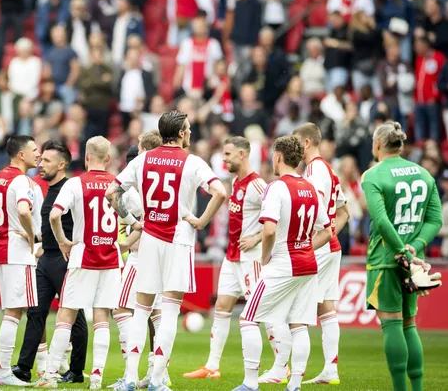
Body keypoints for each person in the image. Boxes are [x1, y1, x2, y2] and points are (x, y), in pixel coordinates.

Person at [108, 110, 227, 391]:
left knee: (140, 309)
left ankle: (129, 378)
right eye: (188, 130)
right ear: (182, 133)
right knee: (170, 311)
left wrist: (134, 222)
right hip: (178, 240)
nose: (190, 134)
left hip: (149, 237)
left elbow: (111, 192)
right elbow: (220, 192)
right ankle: (158, 380)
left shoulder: (143, 160)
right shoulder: (193, 162)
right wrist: (200, 222)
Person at [233, 135, 333, 391]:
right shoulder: (310, 187)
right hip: (308, 265)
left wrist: (265, 255)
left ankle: (250, 383)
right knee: (299, 324)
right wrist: (305, 247)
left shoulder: (276, 187)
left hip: (282, 264)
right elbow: (327, 231)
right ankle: (295, 384)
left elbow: (268, 231)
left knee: (248, 319)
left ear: (278, 156)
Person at [183, 137, 277, 382]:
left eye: (227, 154)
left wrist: (257, 238)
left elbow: (277, 218)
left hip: (251, 259)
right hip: (232, 256)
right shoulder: (235, 182)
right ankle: (212, 366)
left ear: (242, 155)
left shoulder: (258, 186)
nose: (223, 159)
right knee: (222, 307)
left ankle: (281, 366)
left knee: (262, 311)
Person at [362, 121, 443, 391]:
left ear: (377, 145)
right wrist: (414, 246)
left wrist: (398, 249)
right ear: (401, 145)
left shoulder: (373, 175)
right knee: (409, 324)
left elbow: (382, 221)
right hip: (414, 260)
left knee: (391, 325)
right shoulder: (424, 174)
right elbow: (435, 219)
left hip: (385, 258)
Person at [36, 136, 119, 390]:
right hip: (111, 258)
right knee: (102, 316)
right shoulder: (118, 184)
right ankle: (96, 377)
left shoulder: (75, 183)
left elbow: (54, 214)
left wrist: (62, 241)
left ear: (86, 157)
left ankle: (50, 375)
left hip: (83, 255)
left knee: (66, 314)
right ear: (108, 159)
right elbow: (136, 216)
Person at [11, 140, 88, 384]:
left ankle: (76, 370)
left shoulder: (72, 188)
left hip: (66, 259)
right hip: (46, 258)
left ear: (62, 164)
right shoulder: (46, 190)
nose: (40, 164)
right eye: (40, 159)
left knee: (74, 316)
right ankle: (24, 367)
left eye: (46, 161)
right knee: (35, 312)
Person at [292, 123, 350, 385]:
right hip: (330, 245)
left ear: (305, 142)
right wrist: (331, 234)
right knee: (326, 308)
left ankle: (289, 371)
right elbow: (344, 212)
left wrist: (314, 241)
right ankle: (330, 369)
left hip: (317, 244)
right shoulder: (329, 169)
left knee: (294, 307)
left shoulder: (314, 169)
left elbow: (314, 207)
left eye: (296, 142)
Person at [109, 132, 165, 390]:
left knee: (122, 309)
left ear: (142, 149)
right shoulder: (166, 176)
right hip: (164, 252)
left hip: (140, 256)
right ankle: (158, 374)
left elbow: (113, 197)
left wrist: (130, 230)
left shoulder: (137, 179)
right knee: (157, 312)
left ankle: (130, 375)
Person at [0, 136, 42, 387]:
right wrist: (32, 236)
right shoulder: (21, 180)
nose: (38, 154)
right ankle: (4, 372)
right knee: (14, 313)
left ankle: (4, 371)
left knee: (12, 311)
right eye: (34, 150)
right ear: (21, 155)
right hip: (17, 252)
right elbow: (23, 210)